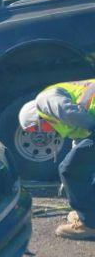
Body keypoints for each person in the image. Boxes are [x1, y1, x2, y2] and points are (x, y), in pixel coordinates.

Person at [19, 80, 95, 240]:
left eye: (34, 128)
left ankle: (89, 225)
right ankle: (89, 213)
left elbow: (68, 111)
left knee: (70, 170)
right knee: (79, 167)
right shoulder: (58, 118)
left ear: (37, 117)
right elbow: (79, 140)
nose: (42, 134)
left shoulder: (44, 100)